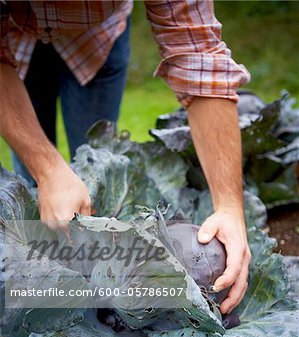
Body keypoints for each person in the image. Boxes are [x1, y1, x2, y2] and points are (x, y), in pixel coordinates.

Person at [0, 0, 251, 315]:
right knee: (39, 188)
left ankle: (96, 290)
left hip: (98, 43)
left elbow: (198, 53)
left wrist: (228, 206)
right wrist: (46, 168)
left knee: (95, 173)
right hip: (13, 33)